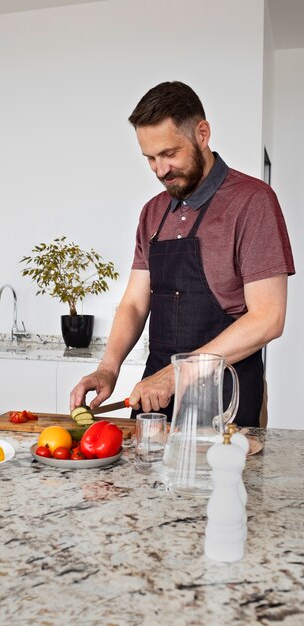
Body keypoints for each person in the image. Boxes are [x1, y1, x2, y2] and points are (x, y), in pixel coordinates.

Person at [70, 81, 295, 427]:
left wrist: (177, 375)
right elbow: (134, 303)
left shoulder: (252, 202)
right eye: (150, 158)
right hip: (154, 402)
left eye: (169, 154)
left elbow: (268, 317)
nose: (160, 170)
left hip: (226, 402)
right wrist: (108, 368)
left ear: (202, 134)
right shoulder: (152, 212)